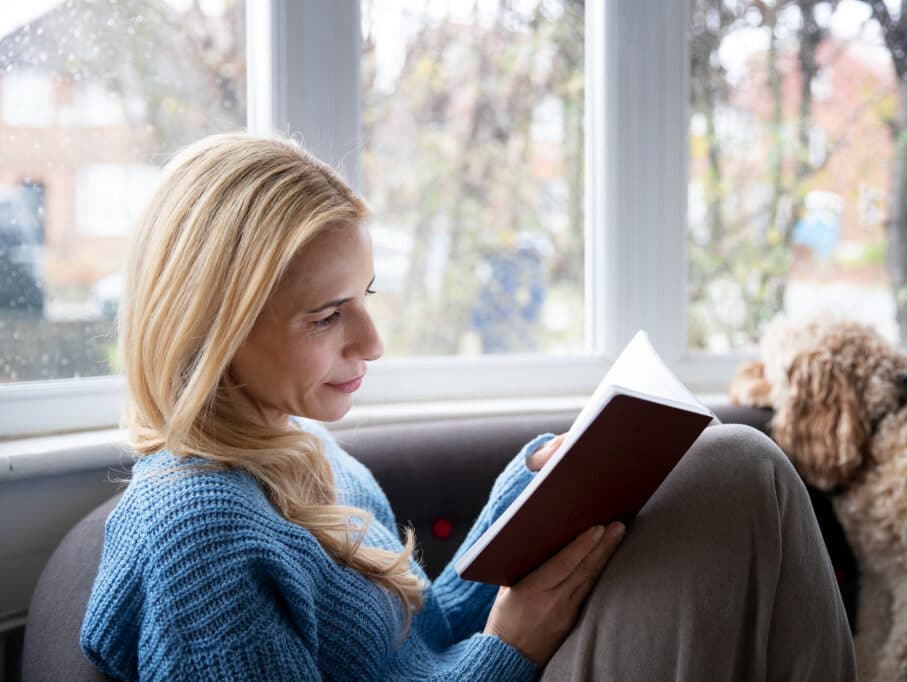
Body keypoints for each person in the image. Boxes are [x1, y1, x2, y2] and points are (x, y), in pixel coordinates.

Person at [80, 133, 855, 681]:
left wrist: (529, 497)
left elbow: (420, 641)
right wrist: (507, 653)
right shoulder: (201, 531)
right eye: (328, 316)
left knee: (734, 468)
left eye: (366, 298)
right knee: (734, 465)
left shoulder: (306, 451)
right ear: (214, 329)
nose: (372, 342)